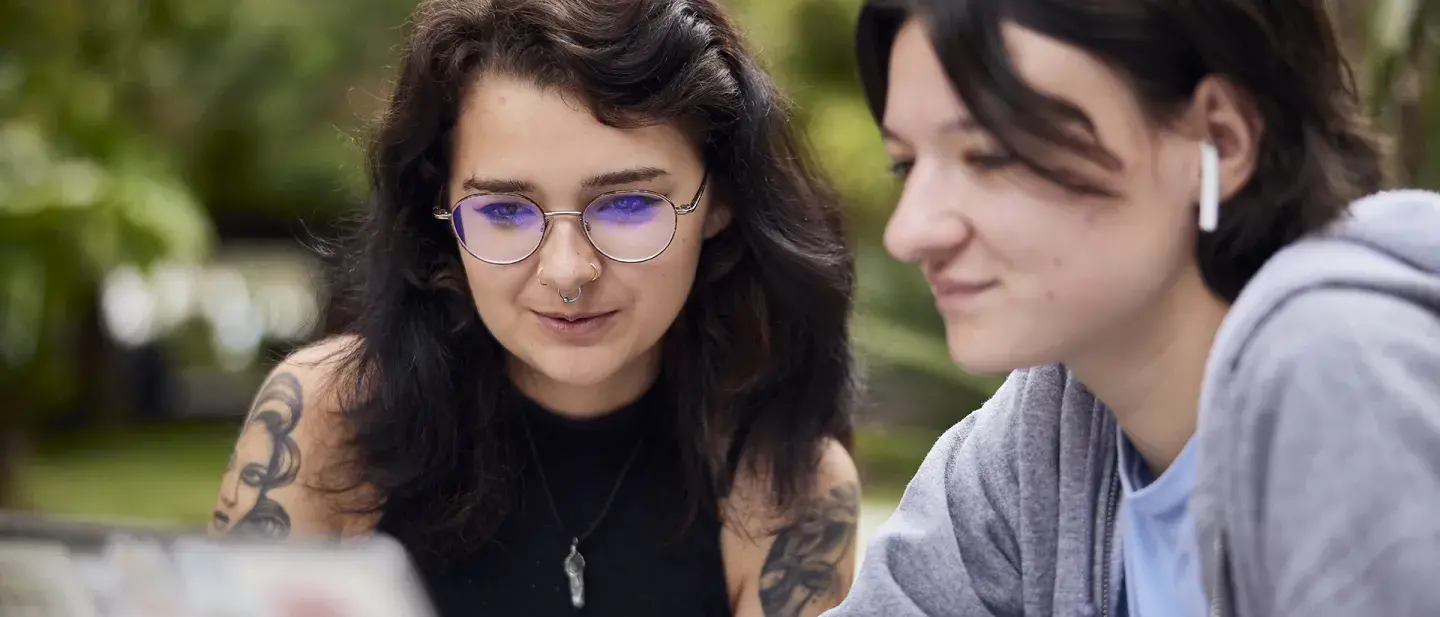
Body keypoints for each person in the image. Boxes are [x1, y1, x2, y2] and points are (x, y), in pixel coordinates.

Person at [207, 1, 863, 616]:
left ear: (718, 198)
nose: (568, 271)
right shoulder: (327, 418)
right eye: (504, 210)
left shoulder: (787, 482)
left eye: (629, 204)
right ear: (440, 211)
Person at [827, 1, 1440, 617]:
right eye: (907, 164)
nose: (910, 232)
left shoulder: (1340, 368)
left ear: (1220, 141)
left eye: (991, 156)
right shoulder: (1047, 436)